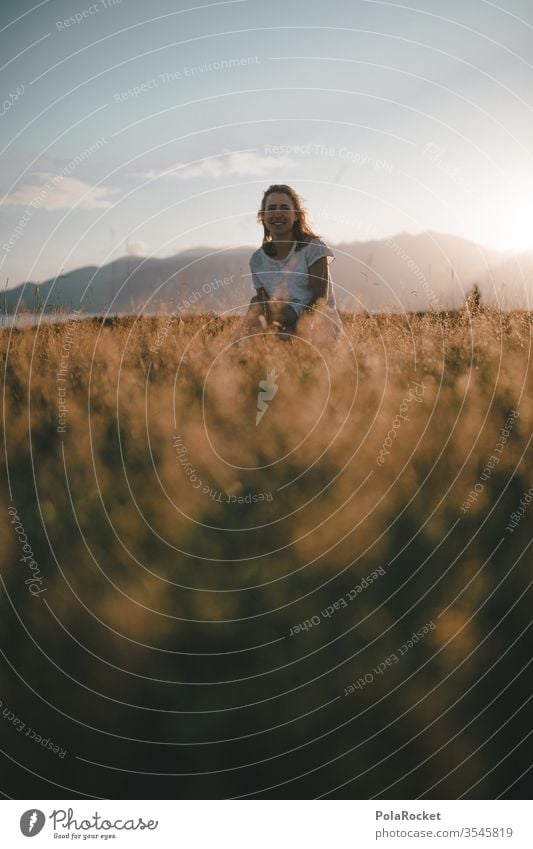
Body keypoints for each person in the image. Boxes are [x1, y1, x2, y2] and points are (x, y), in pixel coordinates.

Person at [236, 184, 342, 341]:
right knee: (257, 303)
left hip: (318, 325)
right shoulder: (257, 260)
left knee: (280, 319)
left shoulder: (312, 247)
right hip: (282, 323)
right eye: (271, 209)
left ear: (296, 215)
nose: (278, 213)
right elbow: (265, 308)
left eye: (285, 208)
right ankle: (231, 354)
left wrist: (295, 331)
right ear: (262, 216)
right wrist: (275, 332)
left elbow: (320, 301)